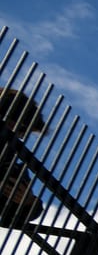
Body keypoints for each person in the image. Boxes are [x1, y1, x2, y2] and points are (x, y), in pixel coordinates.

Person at [1, 87, 49, 230]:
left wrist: (28, 203)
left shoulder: (10, 164)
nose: (21, 136)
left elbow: (11, 220)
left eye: (25, 132)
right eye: (22, 129)